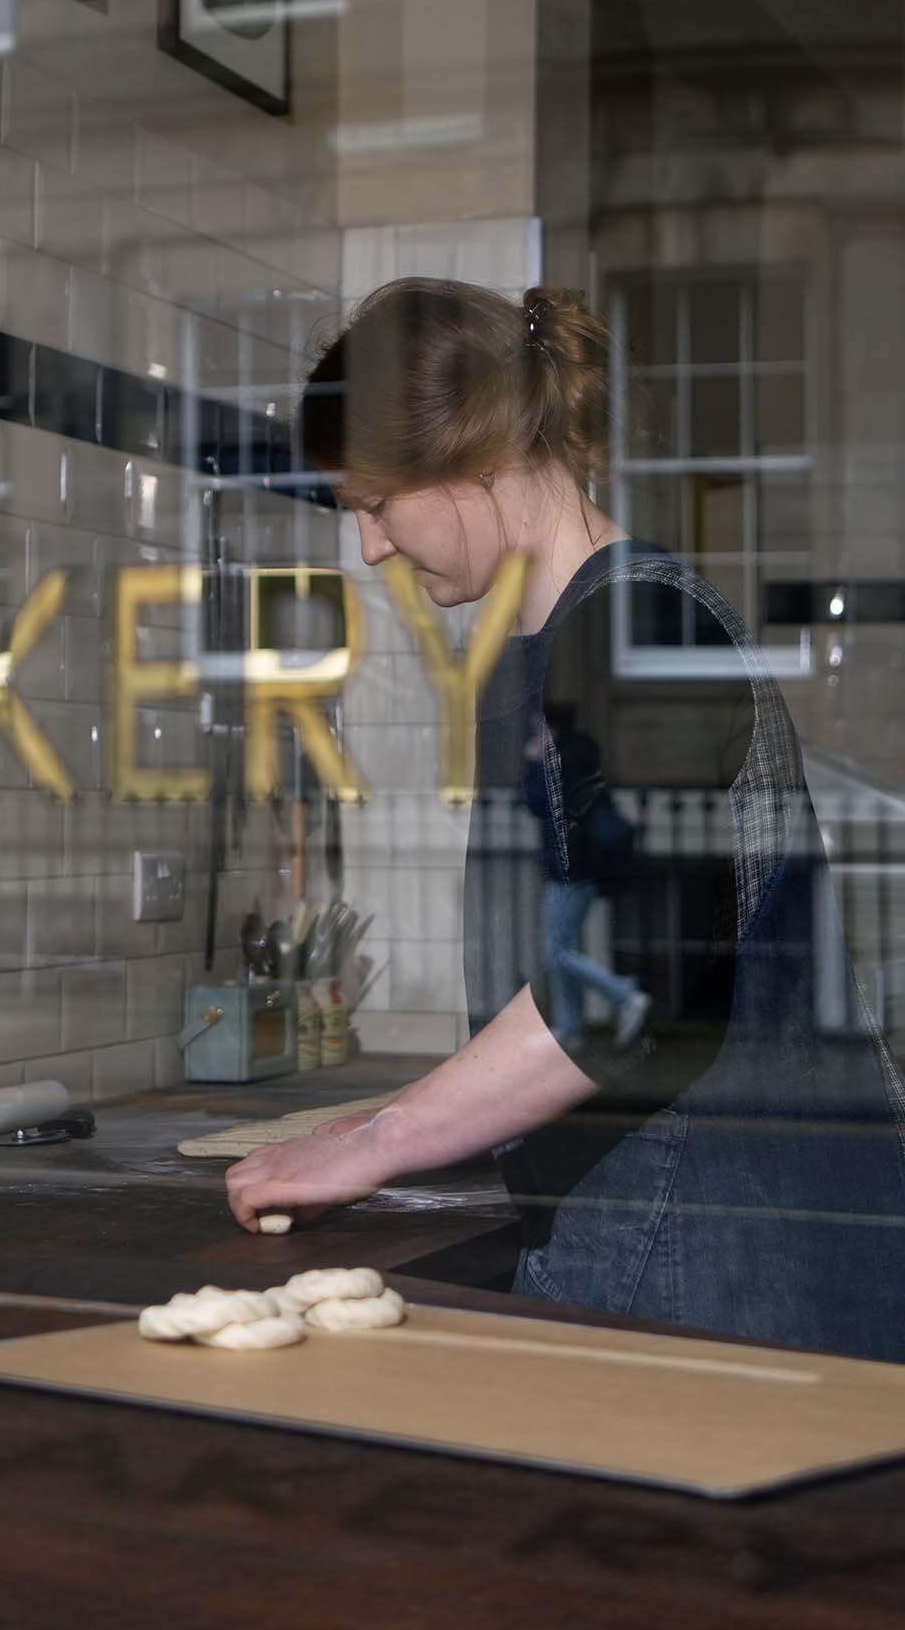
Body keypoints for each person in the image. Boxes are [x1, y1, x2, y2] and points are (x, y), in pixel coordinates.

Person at [225, 277, 905, 1363]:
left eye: (372, 504)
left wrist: (379, 1142)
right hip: (658, 1249)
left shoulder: (637, 631)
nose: (371, 549)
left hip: (728, 1279)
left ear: (471, 461)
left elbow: (624, 980)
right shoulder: (565, 641)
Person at [521, 701, 651, 1057]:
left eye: (538, 728)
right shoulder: (579, 755)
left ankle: (624, 994)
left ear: (550, 728)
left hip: (569, 870)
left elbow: (535, 803)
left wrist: (534, 761)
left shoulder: (558, 761)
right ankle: (569, 1028)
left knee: (555, 950)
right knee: (563, 947)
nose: (534, 735)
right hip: (584, 867)